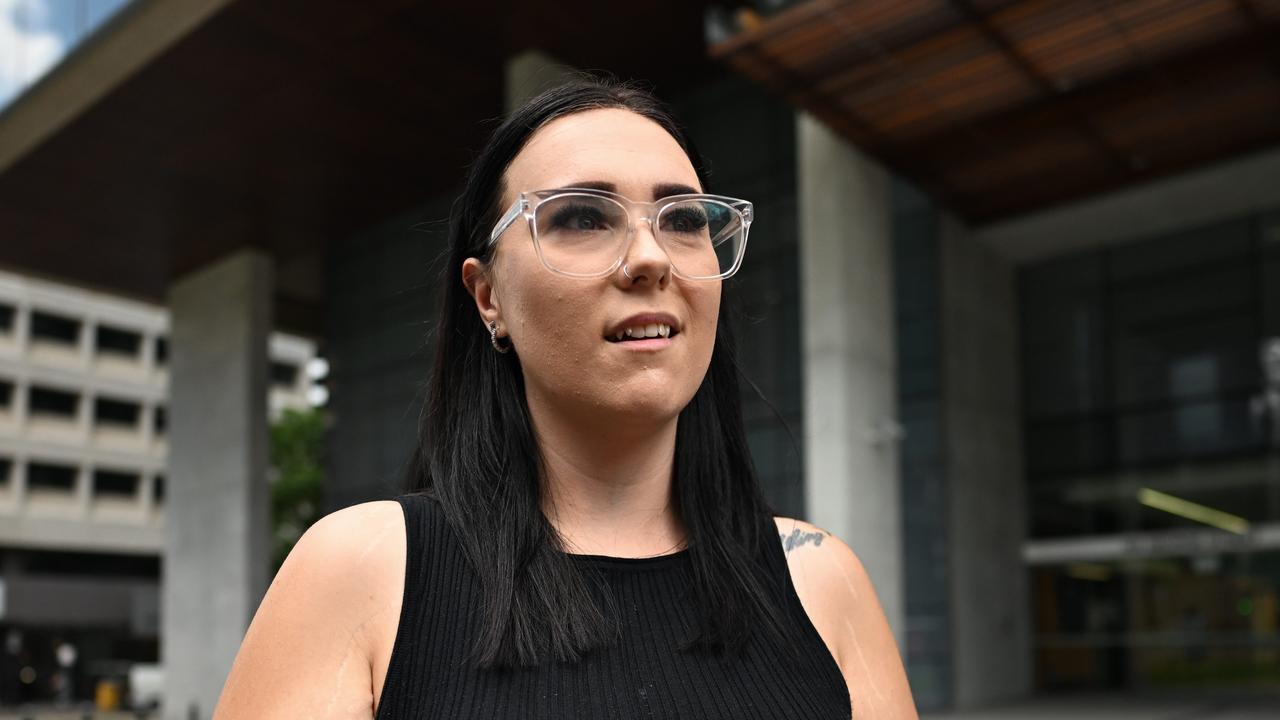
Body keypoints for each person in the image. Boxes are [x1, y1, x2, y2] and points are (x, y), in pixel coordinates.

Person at [214, 76, 916, 719]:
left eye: (684, 219)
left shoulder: (822, 580)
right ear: (488, 297)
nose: (650, 257)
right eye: (582, 217)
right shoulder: (363, 573)